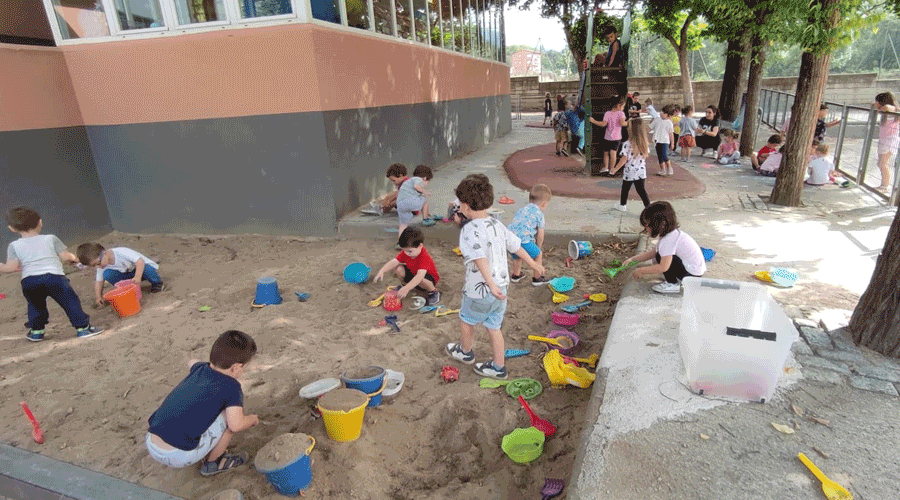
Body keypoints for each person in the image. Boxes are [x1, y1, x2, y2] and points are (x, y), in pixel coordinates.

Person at [445, 174, 545, 380]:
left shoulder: (469, 230)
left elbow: (479, 257)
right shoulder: (496, 224)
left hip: (481, 289)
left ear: (464, 206)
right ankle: (499, 366)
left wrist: (489, 284)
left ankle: (465, 352)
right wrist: (534, 263)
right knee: (494, 326)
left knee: (466, 319)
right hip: (502, 288)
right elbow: (517, 246)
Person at [146, 330, 259, 475]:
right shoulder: (232, 388)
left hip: (151, 441)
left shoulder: (200, 368)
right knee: (229, 420)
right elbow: (236, 426)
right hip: (177, 455)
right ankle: (214, 463)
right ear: (236, 367)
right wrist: (252, 420)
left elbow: (191, 361)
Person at [1, 207, 103, 342]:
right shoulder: (51, 238)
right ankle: (83, 329)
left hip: (30, 281)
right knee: (70, 302)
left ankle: (37, 332)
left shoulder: (14, 245)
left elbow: (11, 267)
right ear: (40, 222)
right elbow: (66, 257)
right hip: (54, 278)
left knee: (35, 306)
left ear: (12, 229)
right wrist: (77, 259)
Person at [624, 201, 706, 294]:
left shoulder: (668, 240)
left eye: (647, 225)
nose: (645, 229)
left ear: (659, 224)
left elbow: (663, 267)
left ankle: (673, 284)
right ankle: (674, 278)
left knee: (660, 257)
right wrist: (634, 259)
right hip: (694, 273)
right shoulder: (671, 234)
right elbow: (653, 252)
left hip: (691, 277)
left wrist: (641, 271)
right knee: (659, 255)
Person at [76, 242, 165, 307]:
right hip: (128, 276)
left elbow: (140, 261)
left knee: (147, 268)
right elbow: (99, 281)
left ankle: (157, 284)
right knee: (107, 274)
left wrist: (137, 276)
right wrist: (98, 297)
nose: (97, 267)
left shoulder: (121, 252)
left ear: (106, 253)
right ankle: (127, 289)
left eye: (98, 263)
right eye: (93, 266)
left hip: (140, 271)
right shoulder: (101, 266)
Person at [373, 227, 441, 305]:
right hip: (413, 274)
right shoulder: (407, 252)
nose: (407, 254)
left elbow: (419, 276)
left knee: (421, 280)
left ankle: (433, 292)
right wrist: (382, 270)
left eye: (410, 251)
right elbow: (394, 261)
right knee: (399, 269)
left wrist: (407, 288)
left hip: (428, 280)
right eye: (404, 250)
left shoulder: (424, 257)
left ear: (420, 245)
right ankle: (404, 286)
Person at [508, 184, 552, 285]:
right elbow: (540, 235)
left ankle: (516, 275)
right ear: (544, 204)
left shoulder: (522, 209)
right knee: (538, 254)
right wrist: (538, 247)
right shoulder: (539, 215)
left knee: (517, 254)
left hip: (511, 238)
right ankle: (537, 278)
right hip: (524, 240)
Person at [610, 118, 652, 212]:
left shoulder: (627, 144)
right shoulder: (644, 143)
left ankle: (622, 204)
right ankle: (648, 207)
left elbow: (624, 159)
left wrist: (615, 169)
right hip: (641, 170)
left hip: (630, 170)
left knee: (625, 188)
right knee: (641, 190)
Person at [589, 97, 628, 174]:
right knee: (613, 153)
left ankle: (605, 167)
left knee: (606, 153)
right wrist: (629, 122)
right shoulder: (621, 113)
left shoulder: (607, 113)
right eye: (623, 106)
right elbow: (622, 123)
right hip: (617, 137)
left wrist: (593, 121)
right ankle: (612, 169)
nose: (623, 108)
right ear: (619, 105)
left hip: (607, 136)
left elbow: (603, 124)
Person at [396, 164, 433, 237]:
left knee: (403, 225)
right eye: (427, 182)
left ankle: (400, 242)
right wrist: (425, 191)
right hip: (408, 202)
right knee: (424, 200)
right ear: (425, 178)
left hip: (400, 205)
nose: (426, 184)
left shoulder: (409, 181)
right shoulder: (418, 179)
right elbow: (416, 186)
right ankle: (425, 219)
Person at [874, 91, 899, 191]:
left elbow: (888, 107)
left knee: (883, 163)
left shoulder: (892, 109)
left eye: (877, 101)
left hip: (890, 140)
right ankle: (883, 184)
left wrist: (878, 106)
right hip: (884, 139)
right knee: (880, 163)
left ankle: (885, 186)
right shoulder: (884, 112)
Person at [653, 105, 676, 176]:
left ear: (668, 115)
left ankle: (669, 167)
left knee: (664, 155)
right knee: (660, 156)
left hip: (665, 141)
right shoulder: (657, 119)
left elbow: (671, 134)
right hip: (657, 141)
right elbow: (650, 127)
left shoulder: (669, 123)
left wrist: (672, 143)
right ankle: (663, 169)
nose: (661, 113)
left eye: (663, 112)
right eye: (661, 111)